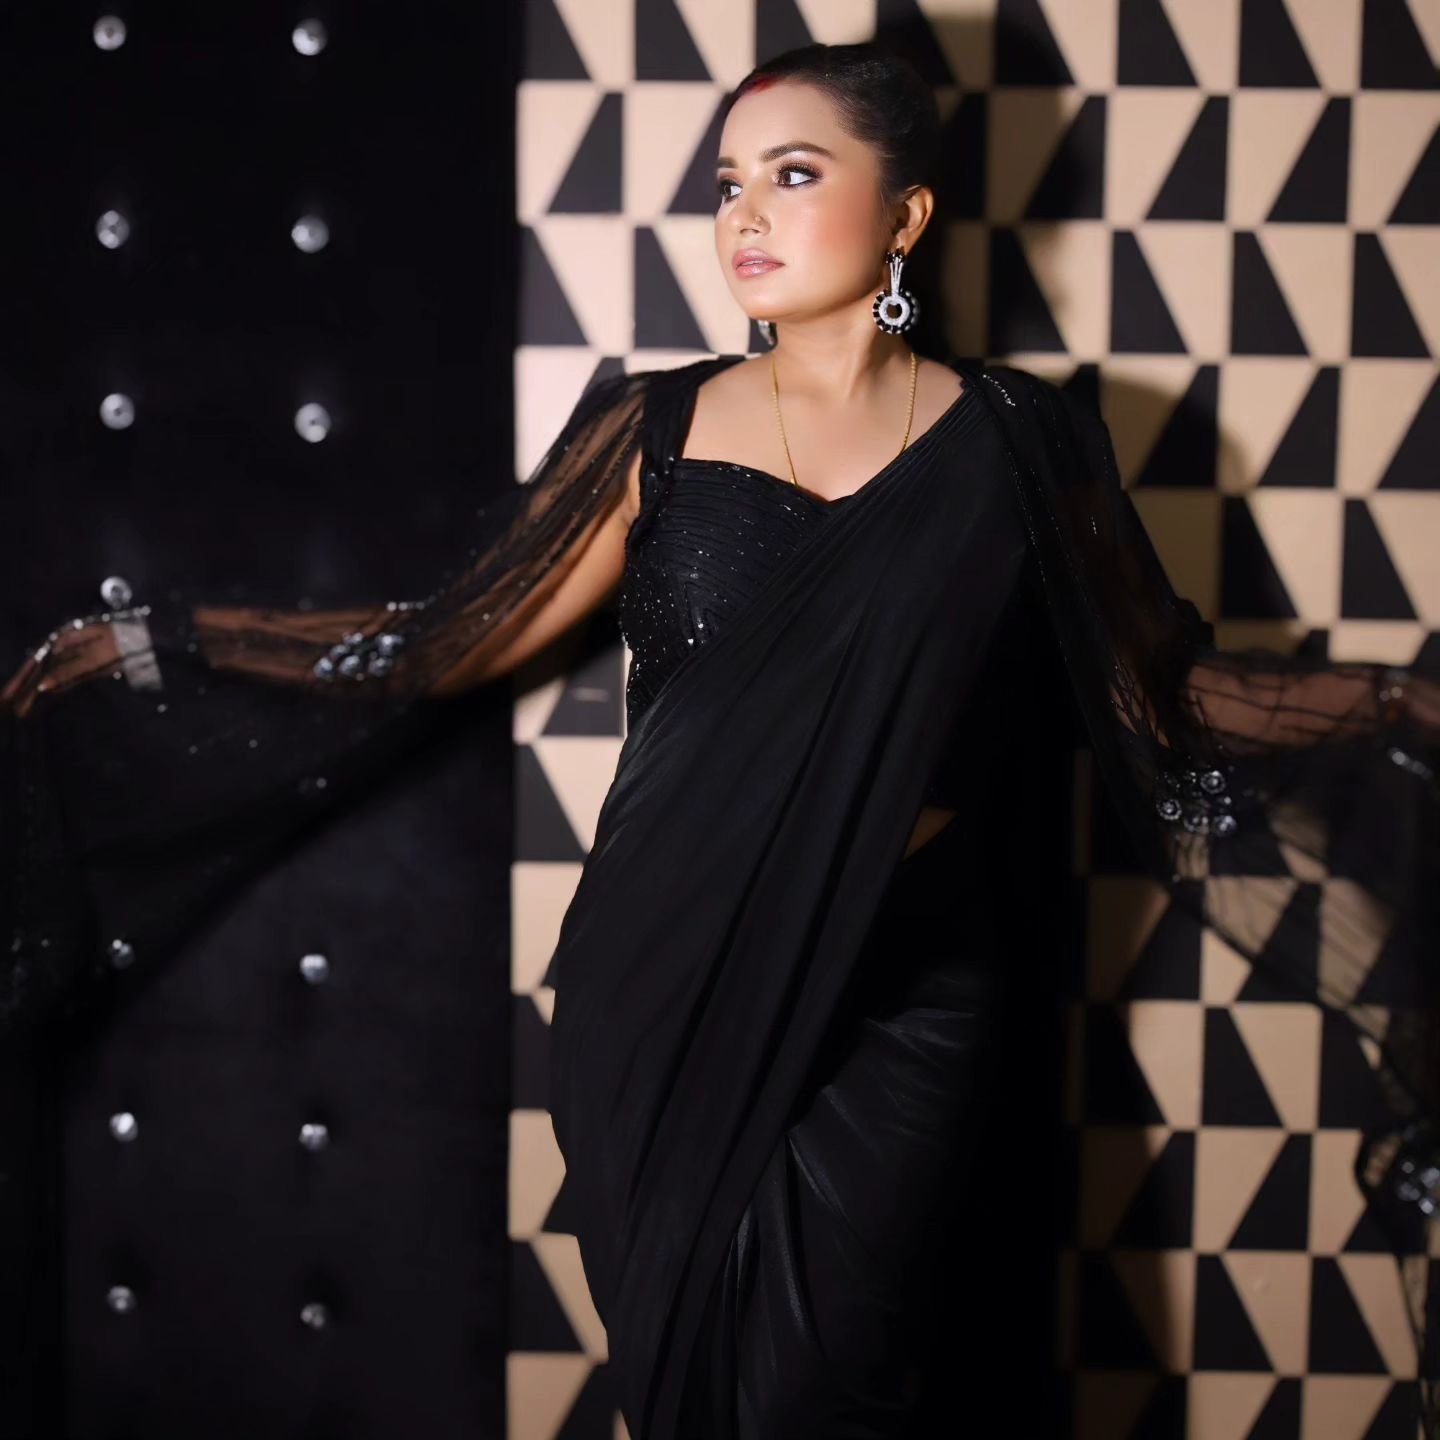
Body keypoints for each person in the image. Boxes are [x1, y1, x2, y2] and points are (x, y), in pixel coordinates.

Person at [4, 40, 1439, 1440]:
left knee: (838, 1394)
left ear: (905, 214)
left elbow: (1154, 695)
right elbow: (444, 641)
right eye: (728, 183)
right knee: (695, 1388)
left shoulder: (1019, 441)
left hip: (910, 991)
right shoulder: (656, 429)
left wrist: (1393, 703)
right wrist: (162, 642)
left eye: (793, 174)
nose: (745, 214)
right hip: (667, 974)